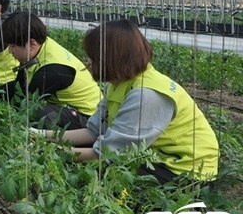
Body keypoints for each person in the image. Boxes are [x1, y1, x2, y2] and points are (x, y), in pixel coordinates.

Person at [31, 19, 219, 183]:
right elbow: (93, 132)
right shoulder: (119, 84)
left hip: (186, 172)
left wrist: (48, 152)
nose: (87, 61)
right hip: (153, 157)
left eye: (92, 56)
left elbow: (107, 154)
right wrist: (38, 134)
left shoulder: (146, 94)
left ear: (110, 58)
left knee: (110, 177)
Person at [0, 10, 102, 130]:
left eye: (13, 46)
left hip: (89, 118)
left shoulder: (51, 71)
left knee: (35, 114)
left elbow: (25, 102)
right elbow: (19, 86)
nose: (9, 51)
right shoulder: (40, 47)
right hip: (69, 108)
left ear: (32, 44)